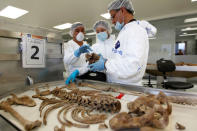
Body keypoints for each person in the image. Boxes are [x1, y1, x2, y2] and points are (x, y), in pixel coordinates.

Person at [88, 0, 149, 86]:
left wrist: (106, 64)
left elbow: (132, 65)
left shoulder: (135, 31)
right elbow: (121, 59)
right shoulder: (125, 31)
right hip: (119, 84)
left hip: (128, 87)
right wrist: (106, 61)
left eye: (113, 16)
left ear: (122, 11)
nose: (112, 21)